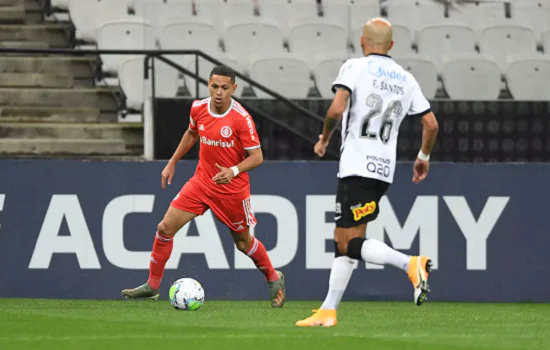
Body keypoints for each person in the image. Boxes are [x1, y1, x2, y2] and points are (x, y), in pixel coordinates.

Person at [296, 18, 439, 327]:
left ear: (362, 41)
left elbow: (336, 109)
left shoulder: (355, 67)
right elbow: (431, 124)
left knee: (345, 242)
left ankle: (411, 264)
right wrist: (423, 156)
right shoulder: (406, 78)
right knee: (348, 241)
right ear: (391, 45)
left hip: (356, 164)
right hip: (383, 171)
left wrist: (323, 139)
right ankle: (328, 310)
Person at [122, 65, 286, 308]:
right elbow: (191, 133)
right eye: (214, 86)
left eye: (225, 88)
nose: (219, 92)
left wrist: (233, 171)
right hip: (202, 182)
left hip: (232, 190)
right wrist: (172, 162)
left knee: (243, 243)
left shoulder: (241, 119)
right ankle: (153, 285)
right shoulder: (198, 108)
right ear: (209, 85)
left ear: (234, 88)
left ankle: (274, 277)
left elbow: (257, 157)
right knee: (165, 228)